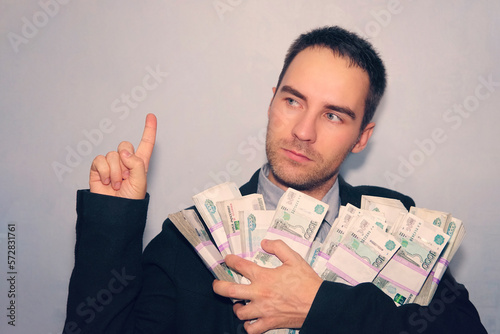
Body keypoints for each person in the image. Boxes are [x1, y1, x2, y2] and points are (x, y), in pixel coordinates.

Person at [64, 26, 487, 334]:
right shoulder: (191, 240)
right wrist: (113, 217)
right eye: (292, 101)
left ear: (361, 138)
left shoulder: (400, 224)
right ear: (271, 102)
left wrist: (319, 305)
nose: (303, 131)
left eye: (333, 115)